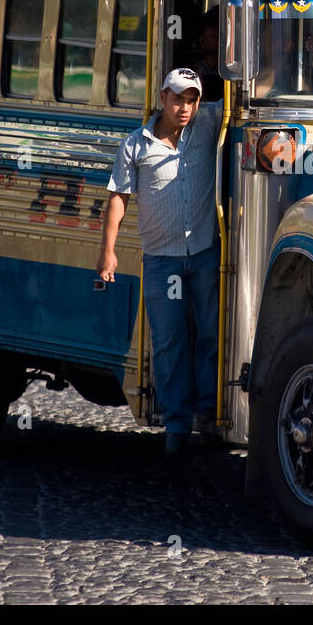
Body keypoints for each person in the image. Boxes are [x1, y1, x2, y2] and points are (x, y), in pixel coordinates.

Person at [97, 67, 223, 455]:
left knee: (211, 332)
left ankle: (208, 413)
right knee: (169, 341)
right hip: (162, 260)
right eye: (177, 98)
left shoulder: (207, 125)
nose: (184, 107)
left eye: (191, 100)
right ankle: (176, 423)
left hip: (203, 252)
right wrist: (108, 251)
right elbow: (119, 198)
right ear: (163, 97)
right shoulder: (136, 144)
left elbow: (247, 98)